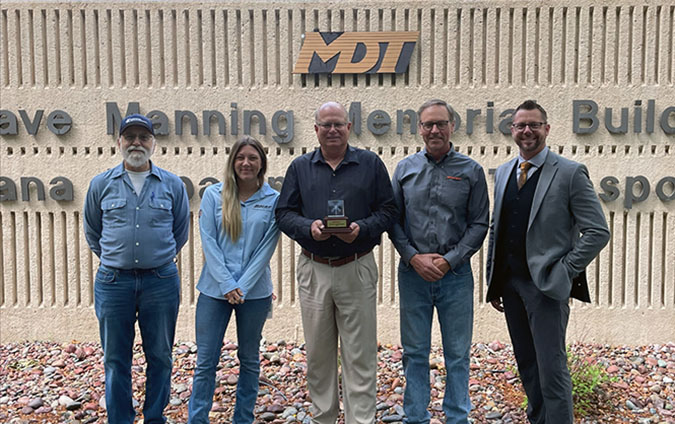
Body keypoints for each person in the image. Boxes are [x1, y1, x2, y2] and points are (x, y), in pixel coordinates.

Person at [485, 100, 610, 423]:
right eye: (521, 125)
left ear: (547, 129)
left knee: (552, 369)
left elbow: (597, 231)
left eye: (534, 125)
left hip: (546, 288)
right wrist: (494, 280)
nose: (527, 131)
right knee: (527, 365)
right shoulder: (503, 172)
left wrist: (566, 270)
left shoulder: (569, 173)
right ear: (512, 130)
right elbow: (497, 228)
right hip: (511, 286)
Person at [275, 102, 398, 424]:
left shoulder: (370, 164)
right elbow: (283, 214)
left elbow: (388, 211)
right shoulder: (299, 167)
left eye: (338, 124)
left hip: (356, 266)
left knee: (360, 355)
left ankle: (361, 421)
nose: (332, 130)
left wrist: (362, 229)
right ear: (315, 130)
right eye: (325, 125)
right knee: (318, 354)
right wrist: (308, 228)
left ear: (349, 127)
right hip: (313, 269)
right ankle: (324, 418)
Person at [83, 113, 190, 423]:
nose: (136, 143)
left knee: (160, 355)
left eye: (143, 137)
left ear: (153, 144)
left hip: (161, 280)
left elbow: (180, 231)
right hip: (114, 281)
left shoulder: (172, 185)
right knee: (116, 359)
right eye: (130, 137)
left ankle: (154, 417)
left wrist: (155, 258)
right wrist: (118, 259)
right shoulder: (101, 184)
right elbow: (93, 231)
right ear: (119, 142)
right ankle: (120, 418)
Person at [389, 99, 489, 424]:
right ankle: (415, 417)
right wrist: (413, 257)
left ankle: (457, 417)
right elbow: (393, 221)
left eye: (441, 123)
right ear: (419, 128)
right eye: (428, 124)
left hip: (456, 278)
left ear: (452, 126)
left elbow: (479, 224)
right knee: (414, 353)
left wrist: (449, 260)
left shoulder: (471, 171)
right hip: (413, 277)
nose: (435, 130)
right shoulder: (404, 170)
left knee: (457, 355)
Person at [187, 136, 280, 423]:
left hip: (254, 293)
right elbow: (209, 243)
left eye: (253, 157)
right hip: (215, 292)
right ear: (232, 161)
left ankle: (243, 418)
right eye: (241, 157)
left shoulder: (274, 200)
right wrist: (228, 284)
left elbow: (266, 248)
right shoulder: (214, 195)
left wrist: (243, 286)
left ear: (262, 163)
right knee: (205, 362)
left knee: (250, 360)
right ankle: (198, 418)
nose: (246, 163)